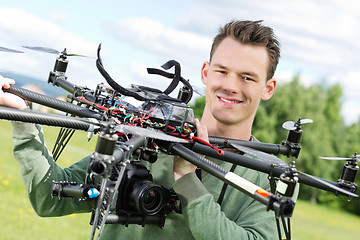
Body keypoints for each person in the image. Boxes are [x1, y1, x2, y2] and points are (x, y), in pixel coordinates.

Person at [0, 20, 279, 239]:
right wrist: (23, 118)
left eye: (247, 77)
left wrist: (187, 180)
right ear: (205, 72)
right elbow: (49, 198)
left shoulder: (269, 175)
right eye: (222, 71)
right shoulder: (146, 137)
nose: (231, 85)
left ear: (268, 88)